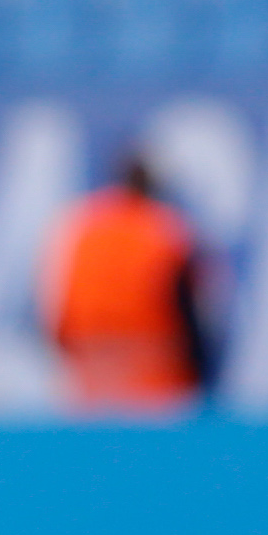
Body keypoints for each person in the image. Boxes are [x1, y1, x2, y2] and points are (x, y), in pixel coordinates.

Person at [46, 152, 215, 411]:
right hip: (158, 382)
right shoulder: (164, 230)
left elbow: (60, 312)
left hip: (93, 382)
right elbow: (187, 311)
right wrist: (203, 376)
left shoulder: (84, 228)